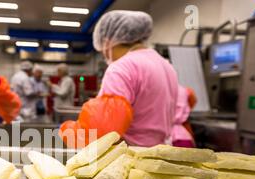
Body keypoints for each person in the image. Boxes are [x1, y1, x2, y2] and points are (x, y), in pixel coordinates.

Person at [59, 10, 178, 148]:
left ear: (108, 41)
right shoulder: (166, 65)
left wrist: (68, 131)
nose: (104, 53)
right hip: (161, 155)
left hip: (131, 159)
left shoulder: (122, 67)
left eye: (102, 49)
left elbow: (103, 127)